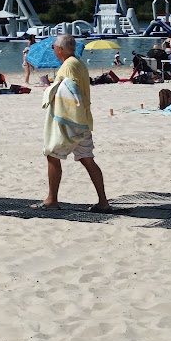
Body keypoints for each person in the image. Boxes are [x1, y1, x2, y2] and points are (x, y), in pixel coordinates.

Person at [36, 34, 111, 212]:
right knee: (88, 159)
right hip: (82, 120)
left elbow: (70, 92)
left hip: (71, 121)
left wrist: (49, 87)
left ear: (60, 49)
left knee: (53, 155)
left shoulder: (69, 65)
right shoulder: (77, 63)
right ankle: (103, 202)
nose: (53, 50)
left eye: (54, 47)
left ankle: (52, 199)